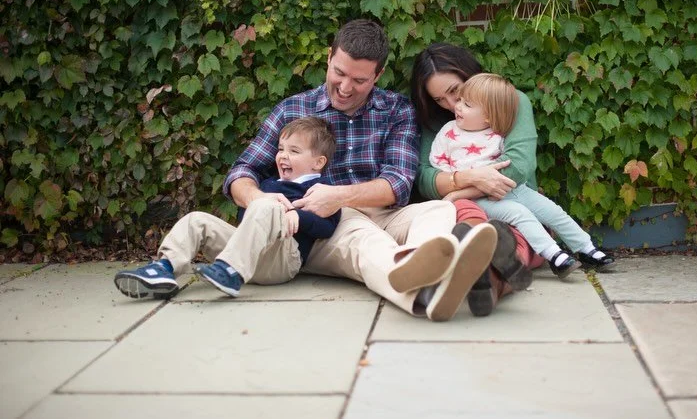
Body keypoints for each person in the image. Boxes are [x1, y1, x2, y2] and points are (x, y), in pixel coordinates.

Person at [116, 20, 498, 322]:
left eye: (360, 80)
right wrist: (263, 202)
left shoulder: (396, 110)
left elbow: (398, 182)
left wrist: (341, 195)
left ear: (378, 75)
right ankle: (422, 294)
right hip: (319, 224)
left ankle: (427, 260)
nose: (345, 87)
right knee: (363, 240)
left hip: (381, 209)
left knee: (439, 210)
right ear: (329, 57)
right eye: (339, 72)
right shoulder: (293, 110)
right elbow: (242, 171)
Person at [114, 116, 341, 298]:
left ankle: (230, 271)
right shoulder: (270, 185)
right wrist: (260, 200)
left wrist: (300, 217)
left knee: (266, 205)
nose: (283, 156)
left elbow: (328, 226)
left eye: (294, 151)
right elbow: (246, 216)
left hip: (281, 260)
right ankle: (164, 268)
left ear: (318, 162)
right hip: (249, 252)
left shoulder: (320, 189)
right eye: (281, 149)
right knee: (197, 220)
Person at [428, 72, 615, 279]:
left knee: (553, 211)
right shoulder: (448, 133)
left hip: (516, 189)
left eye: (468, 105)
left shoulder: (498, 134)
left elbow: (515, 165)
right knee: (519, 214)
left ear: (489, 115)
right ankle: (554, 255)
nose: (458, 106)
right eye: (461, 100)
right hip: (482, 199)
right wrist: (460, 186)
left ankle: (586, 248)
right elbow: (438, 164)